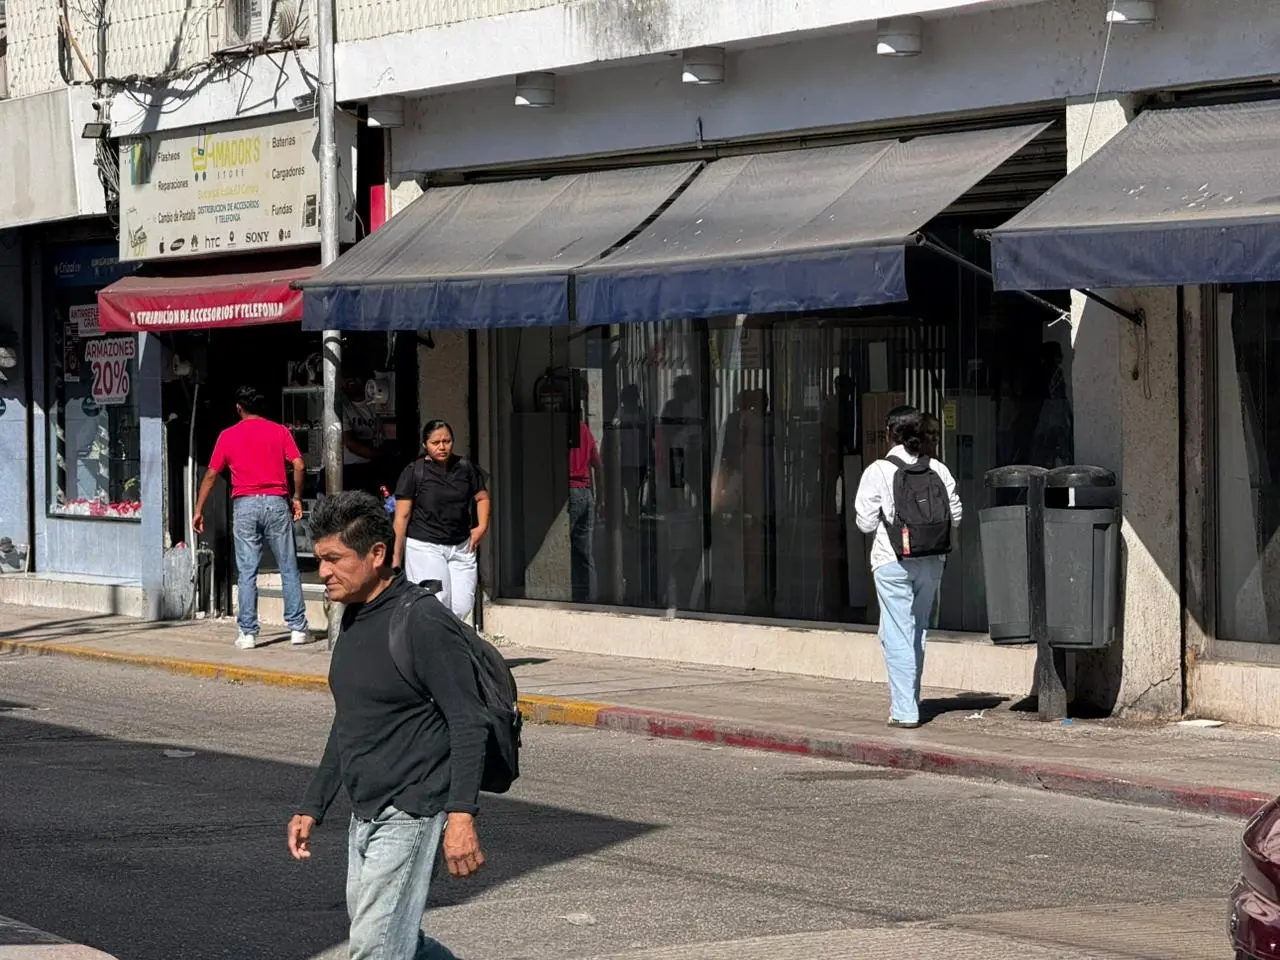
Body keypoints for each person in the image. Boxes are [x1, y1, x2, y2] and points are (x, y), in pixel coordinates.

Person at [288, 491, 486, 960]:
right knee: (395, 941)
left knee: (375, 949)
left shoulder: (421, 620)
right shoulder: (354, 616)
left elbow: (468, 720)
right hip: (366, 812)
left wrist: (461, 815)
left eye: (335, 559)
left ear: (377, 554)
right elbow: (350, 719)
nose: (324, 573)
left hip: (411, 810)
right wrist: (313, 805)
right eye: (320, 559)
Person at [854, 405, 962, 728]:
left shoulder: (878, 470)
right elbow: (955, 515)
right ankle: (909, 698)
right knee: (915, 631)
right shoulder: (939, 470)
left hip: (893, 561)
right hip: (932, 563)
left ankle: (905, 710)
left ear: (891, 433)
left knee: (898, 633)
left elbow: (864, 522)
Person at [193, 385, 309, 649]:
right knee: (288, 567)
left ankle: (248, 633)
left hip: (244, 504)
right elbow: (299, 464)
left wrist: (199, 509)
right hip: (277, 502)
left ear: (238, 408)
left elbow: (211, 475)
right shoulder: (279, 431)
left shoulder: (227, 435)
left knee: (247, 572)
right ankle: (298, 628)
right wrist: (296, 496)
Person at [391, 420, 490, 620]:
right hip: (425, 545)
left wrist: (482, 527)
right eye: (436, 442)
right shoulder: (414, 472)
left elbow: (482, 498)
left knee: (462, 606)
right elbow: (401, 516)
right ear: (425, 445)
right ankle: (431, 648)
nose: (442, 447)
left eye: (447, 441)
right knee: (435, 602)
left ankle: (449, 645)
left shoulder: (465, 468)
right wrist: (395, 554)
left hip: (462, 546)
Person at [568, 413, 604, 603]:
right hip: (586, 492)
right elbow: (598, 465)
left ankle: (569, 594)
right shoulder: (584, 429)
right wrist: (600, 499)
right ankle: (590, 598)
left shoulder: (563, 429)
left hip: (570, 491)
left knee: (565, 549)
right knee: (585, 551)